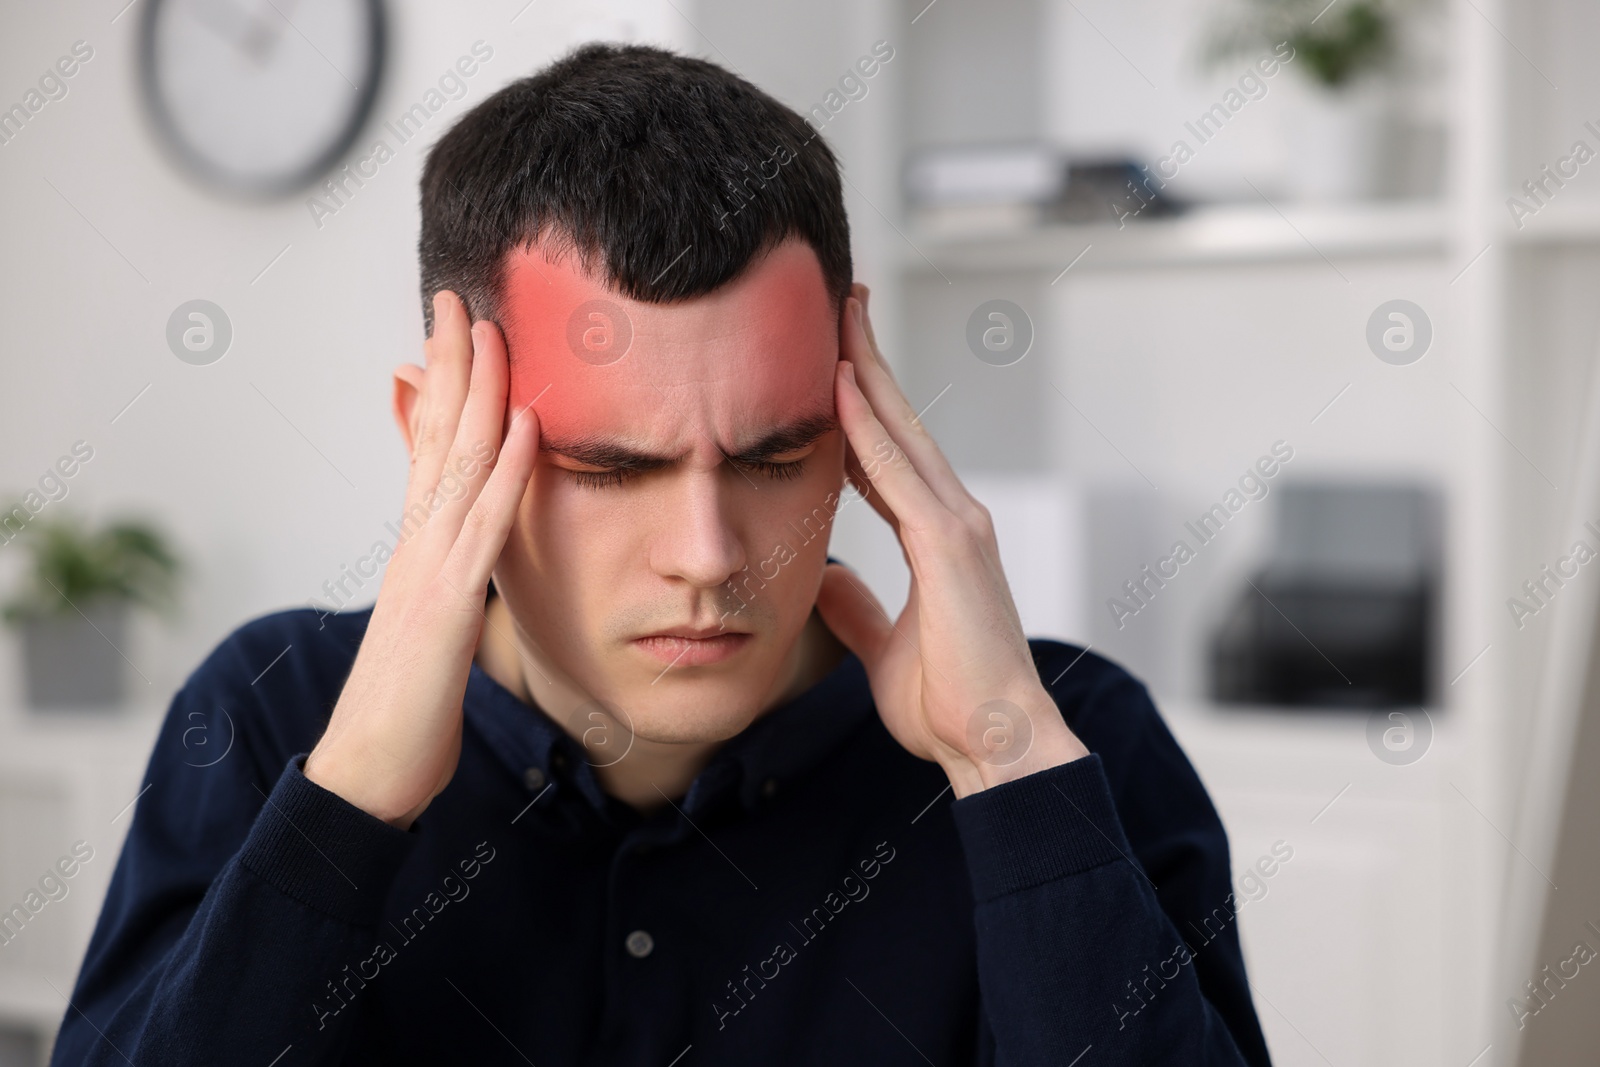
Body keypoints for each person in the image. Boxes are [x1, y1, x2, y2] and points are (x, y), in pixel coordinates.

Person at [51, 42, 1271, 1066]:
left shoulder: (1063, 739)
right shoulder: (273, 719)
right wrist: (350, 799)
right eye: (608, 469)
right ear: (439, 438)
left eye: (772, 456)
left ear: (858, 425)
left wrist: (1006, 765)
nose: (705, 555)